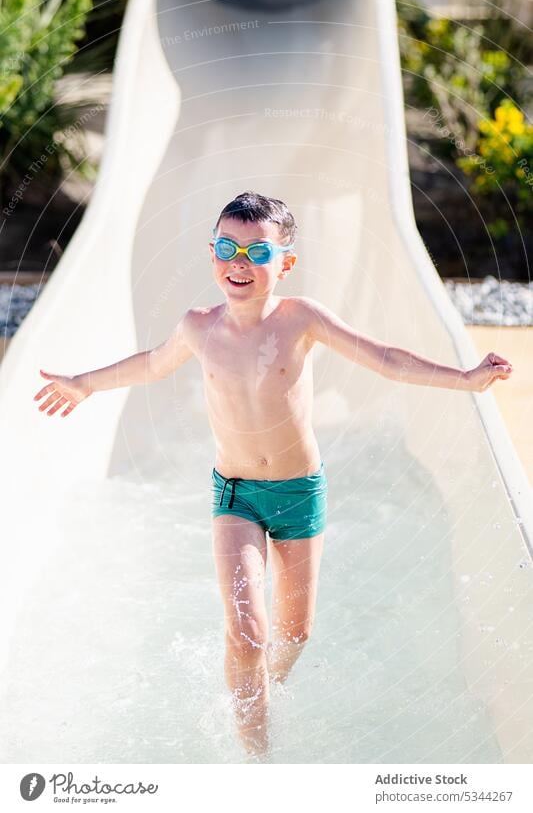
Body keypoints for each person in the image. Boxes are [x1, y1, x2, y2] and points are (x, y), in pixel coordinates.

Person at [33, 190, 513, 756]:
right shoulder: (198, 327)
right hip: (235, 494)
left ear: (284, 262)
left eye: (256, 252)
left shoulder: (300, 319)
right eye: (226, 247)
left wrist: (464, 376)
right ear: (210, 252)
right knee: (248, 633)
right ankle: (253, 760)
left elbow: (383, 357)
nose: (239, 262)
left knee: (294, 635)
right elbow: (149, 365)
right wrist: (85, 384)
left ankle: (259, 691)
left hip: (300, 491)